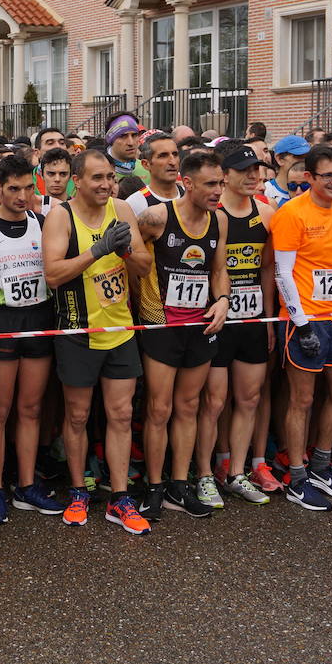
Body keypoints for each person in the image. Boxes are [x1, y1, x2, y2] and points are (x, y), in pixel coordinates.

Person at [43, 149, 151, 533]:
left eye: (110, 177)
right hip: (78, 329)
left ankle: (120, 498)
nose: (106, 184)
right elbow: (53, 274)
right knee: (78, 416)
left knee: (121, 415)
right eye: (97, 178)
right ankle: (77, 490)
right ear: (77, 179)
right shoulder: (61, 216)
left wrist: (124, 250)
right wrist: (98, 250)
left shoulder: (121, 210)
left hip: (120, 327)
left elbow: (142, 266)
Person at [0, 154, 65, 520]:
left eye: (28, 188)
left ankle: (26, 484)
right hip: (0, 321)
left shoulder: (43, 223)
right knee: (0, 410)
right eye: (14, 189)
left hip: (38, 317)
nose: (22, 196)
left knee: (31, 408)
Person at [135, 150, 230, 519]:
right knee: (159, 409)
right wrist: (145, 307)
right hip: (163, 326)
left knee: (189, 407)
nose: (218, 191)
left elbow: (218, 268)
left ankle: (179, 484)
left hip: (201, 324)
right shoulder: (157, 218)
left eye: (220, 183)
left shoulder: (217, 220)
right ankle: (154, 486)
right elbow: (134, 262)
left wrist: (222, 299)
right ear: (186, 183)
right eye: (210, 184)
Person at [271, 144, 332, 511]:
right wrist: (301, 322)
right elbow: (282, 272)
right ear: (309, 177)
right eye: (328, 175)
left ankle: (322, 465)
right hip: (303, 319)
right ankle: (296, 475)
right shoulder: (292, 213)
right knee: (302, 399)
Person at [205, 144, 275, 504]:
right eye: (244, 170)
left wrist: (267, 317)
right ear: (225, 175)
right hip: (217, 318)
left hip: (251, 316)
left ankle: (237, 472)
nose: (253, 176)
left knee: (249, 397)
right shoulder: (211, 213)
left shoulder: (266, 212)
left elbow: (266, 268)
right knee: (215, 401)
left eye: (257, 170)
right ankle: (206, 471)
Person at [124, 133, 182, 216]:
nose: (172, 162)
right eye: (163, 156)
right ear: (146, 164)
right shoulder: (134, 204)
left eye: (175, 154)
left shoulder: (191, 196)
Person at [263, 135, 310, 206]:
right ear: (279, 159)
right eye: (298, 156)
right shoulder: (265, 191)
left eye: (307, 157)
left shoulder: (314, 188)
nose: (304, 161)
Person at [104, 113, 150, 185]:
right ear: (110, 139)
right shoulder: (98, 170)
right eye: (123, 136)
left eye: (134, 135)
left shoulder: (147, 169)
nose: (131, 143)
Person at [37, 147, 72, 212]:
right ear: (42, 174)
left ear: (70, 175)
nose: (57, 179)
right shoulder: (33, 209)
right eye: (51, 174)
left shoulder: (79, 209)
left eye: (63, 174)